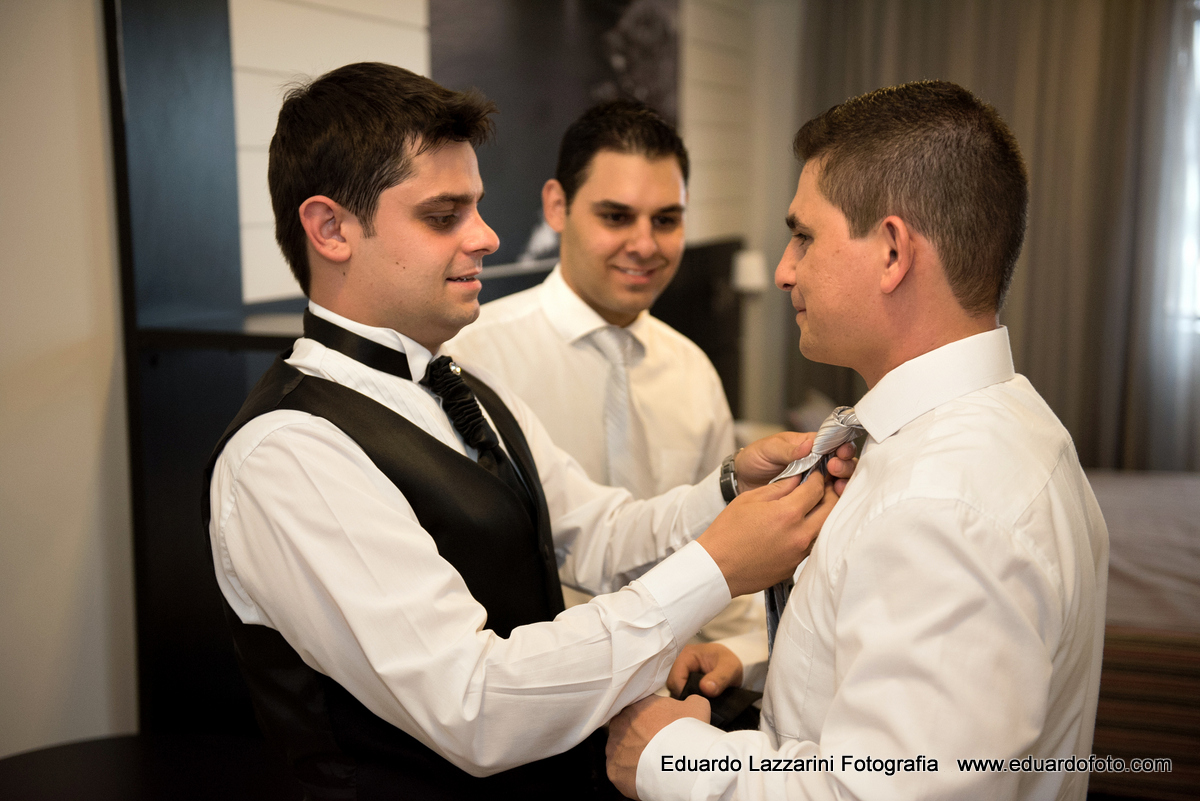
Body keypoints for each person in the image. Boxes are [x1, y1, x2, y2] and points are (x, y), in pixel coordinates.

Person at [205, 62, 854, 800]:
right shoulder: (289, 453)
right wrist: (715, 564)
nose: (485, 236)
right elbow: (473, 704)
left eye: (476, 207)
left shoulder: (461, 389)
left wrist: (732, 486)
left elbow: (601, 533)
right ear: (330, 229)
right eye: (444, 214)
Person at [606, 80, 1109, 801]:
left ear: (893, 251)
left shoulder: (943, 502)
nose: (784, 269)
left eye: (804, 236)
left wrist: (671, 756)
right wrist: (756, 661)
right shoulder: (1005, 424)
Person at [446, 99, 763, 649]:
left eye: (666, 220)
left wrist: (737, 657)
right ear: (557, 206)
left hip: (683, 691)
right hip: (538, 690)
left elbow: (728, 550)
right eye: (616, 217)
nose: (644, 245)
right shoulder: (474, 360)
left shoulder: (693, 370)